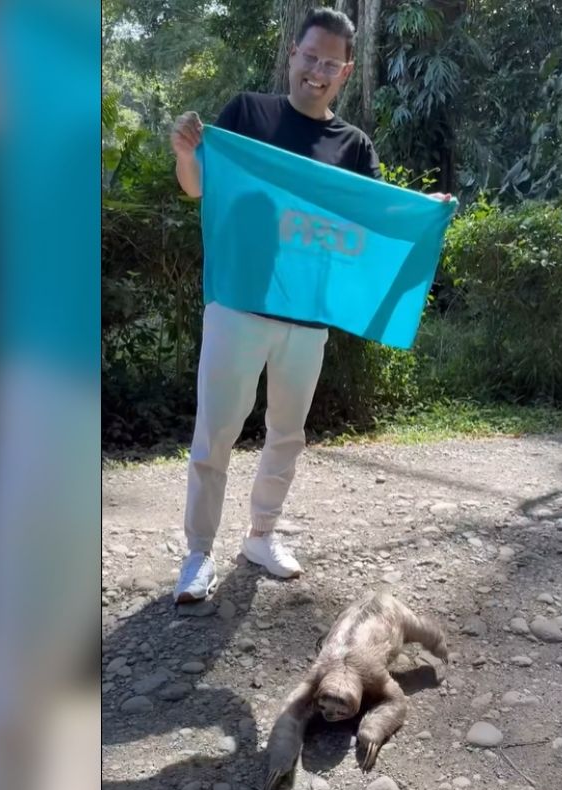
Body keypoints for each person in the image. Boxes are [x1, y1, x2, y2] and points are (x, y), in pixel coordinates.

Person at [169, 7, 448, 603]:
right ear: (292, 55)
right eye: (310, 56)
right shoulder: (248, 115)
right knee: (214, 433)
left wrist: (424, 210)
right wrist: (187, 153)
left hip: (307, 318)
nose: (317, 71)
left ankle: (261, 535)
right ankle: (197, 556)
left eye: (330, 63)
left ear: (344, 72)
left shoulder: (353, 146)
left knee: (287, 433)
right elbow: (199, 188)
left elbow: (374, 221)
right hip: (238, 305)